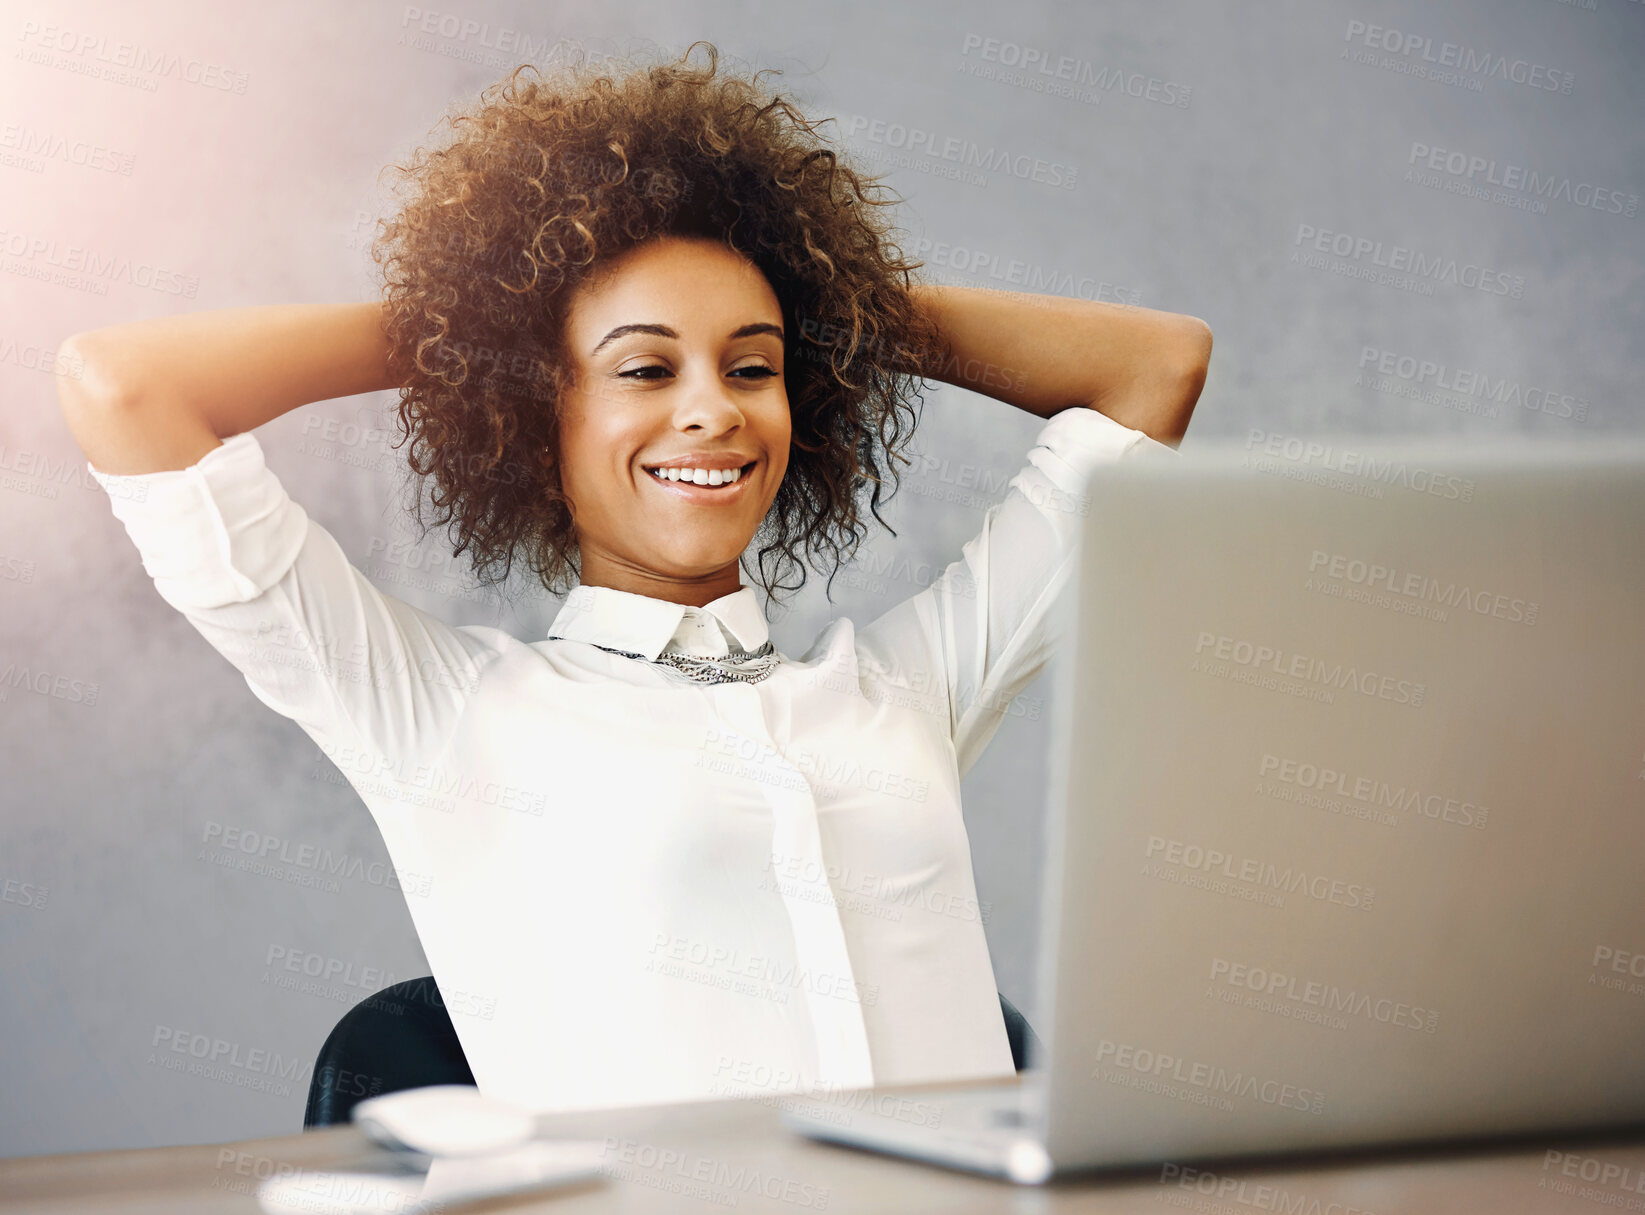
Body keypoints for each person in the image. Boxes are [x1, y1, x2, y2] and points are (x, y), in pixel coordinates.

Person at [55, 43, 1211, 1115]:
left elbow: (1155, 367)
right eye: (644, 367)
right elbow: (126, 388)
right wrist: (485, 324)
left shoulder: (906, 691)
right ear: (534, 407)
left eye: (751, 366)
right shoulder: (442, 714)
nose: (710, 406)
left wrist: (830, 305)